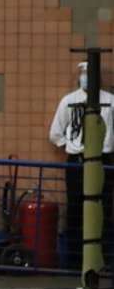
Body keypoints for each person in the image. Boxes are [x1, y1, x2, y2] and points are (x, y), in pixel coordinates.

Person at [49, 62, 114, 269]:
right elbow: (55, 133)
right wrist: (71, 145)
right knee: (76, 210)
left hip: (104, 160)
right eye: (83, 74)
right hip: (77, 162)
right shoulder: (69, 101)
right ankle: (75, 261)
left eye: (89, 74)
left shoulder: (110, 101)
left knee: (106, 210)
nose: (86, 78)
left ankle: (105, 260)